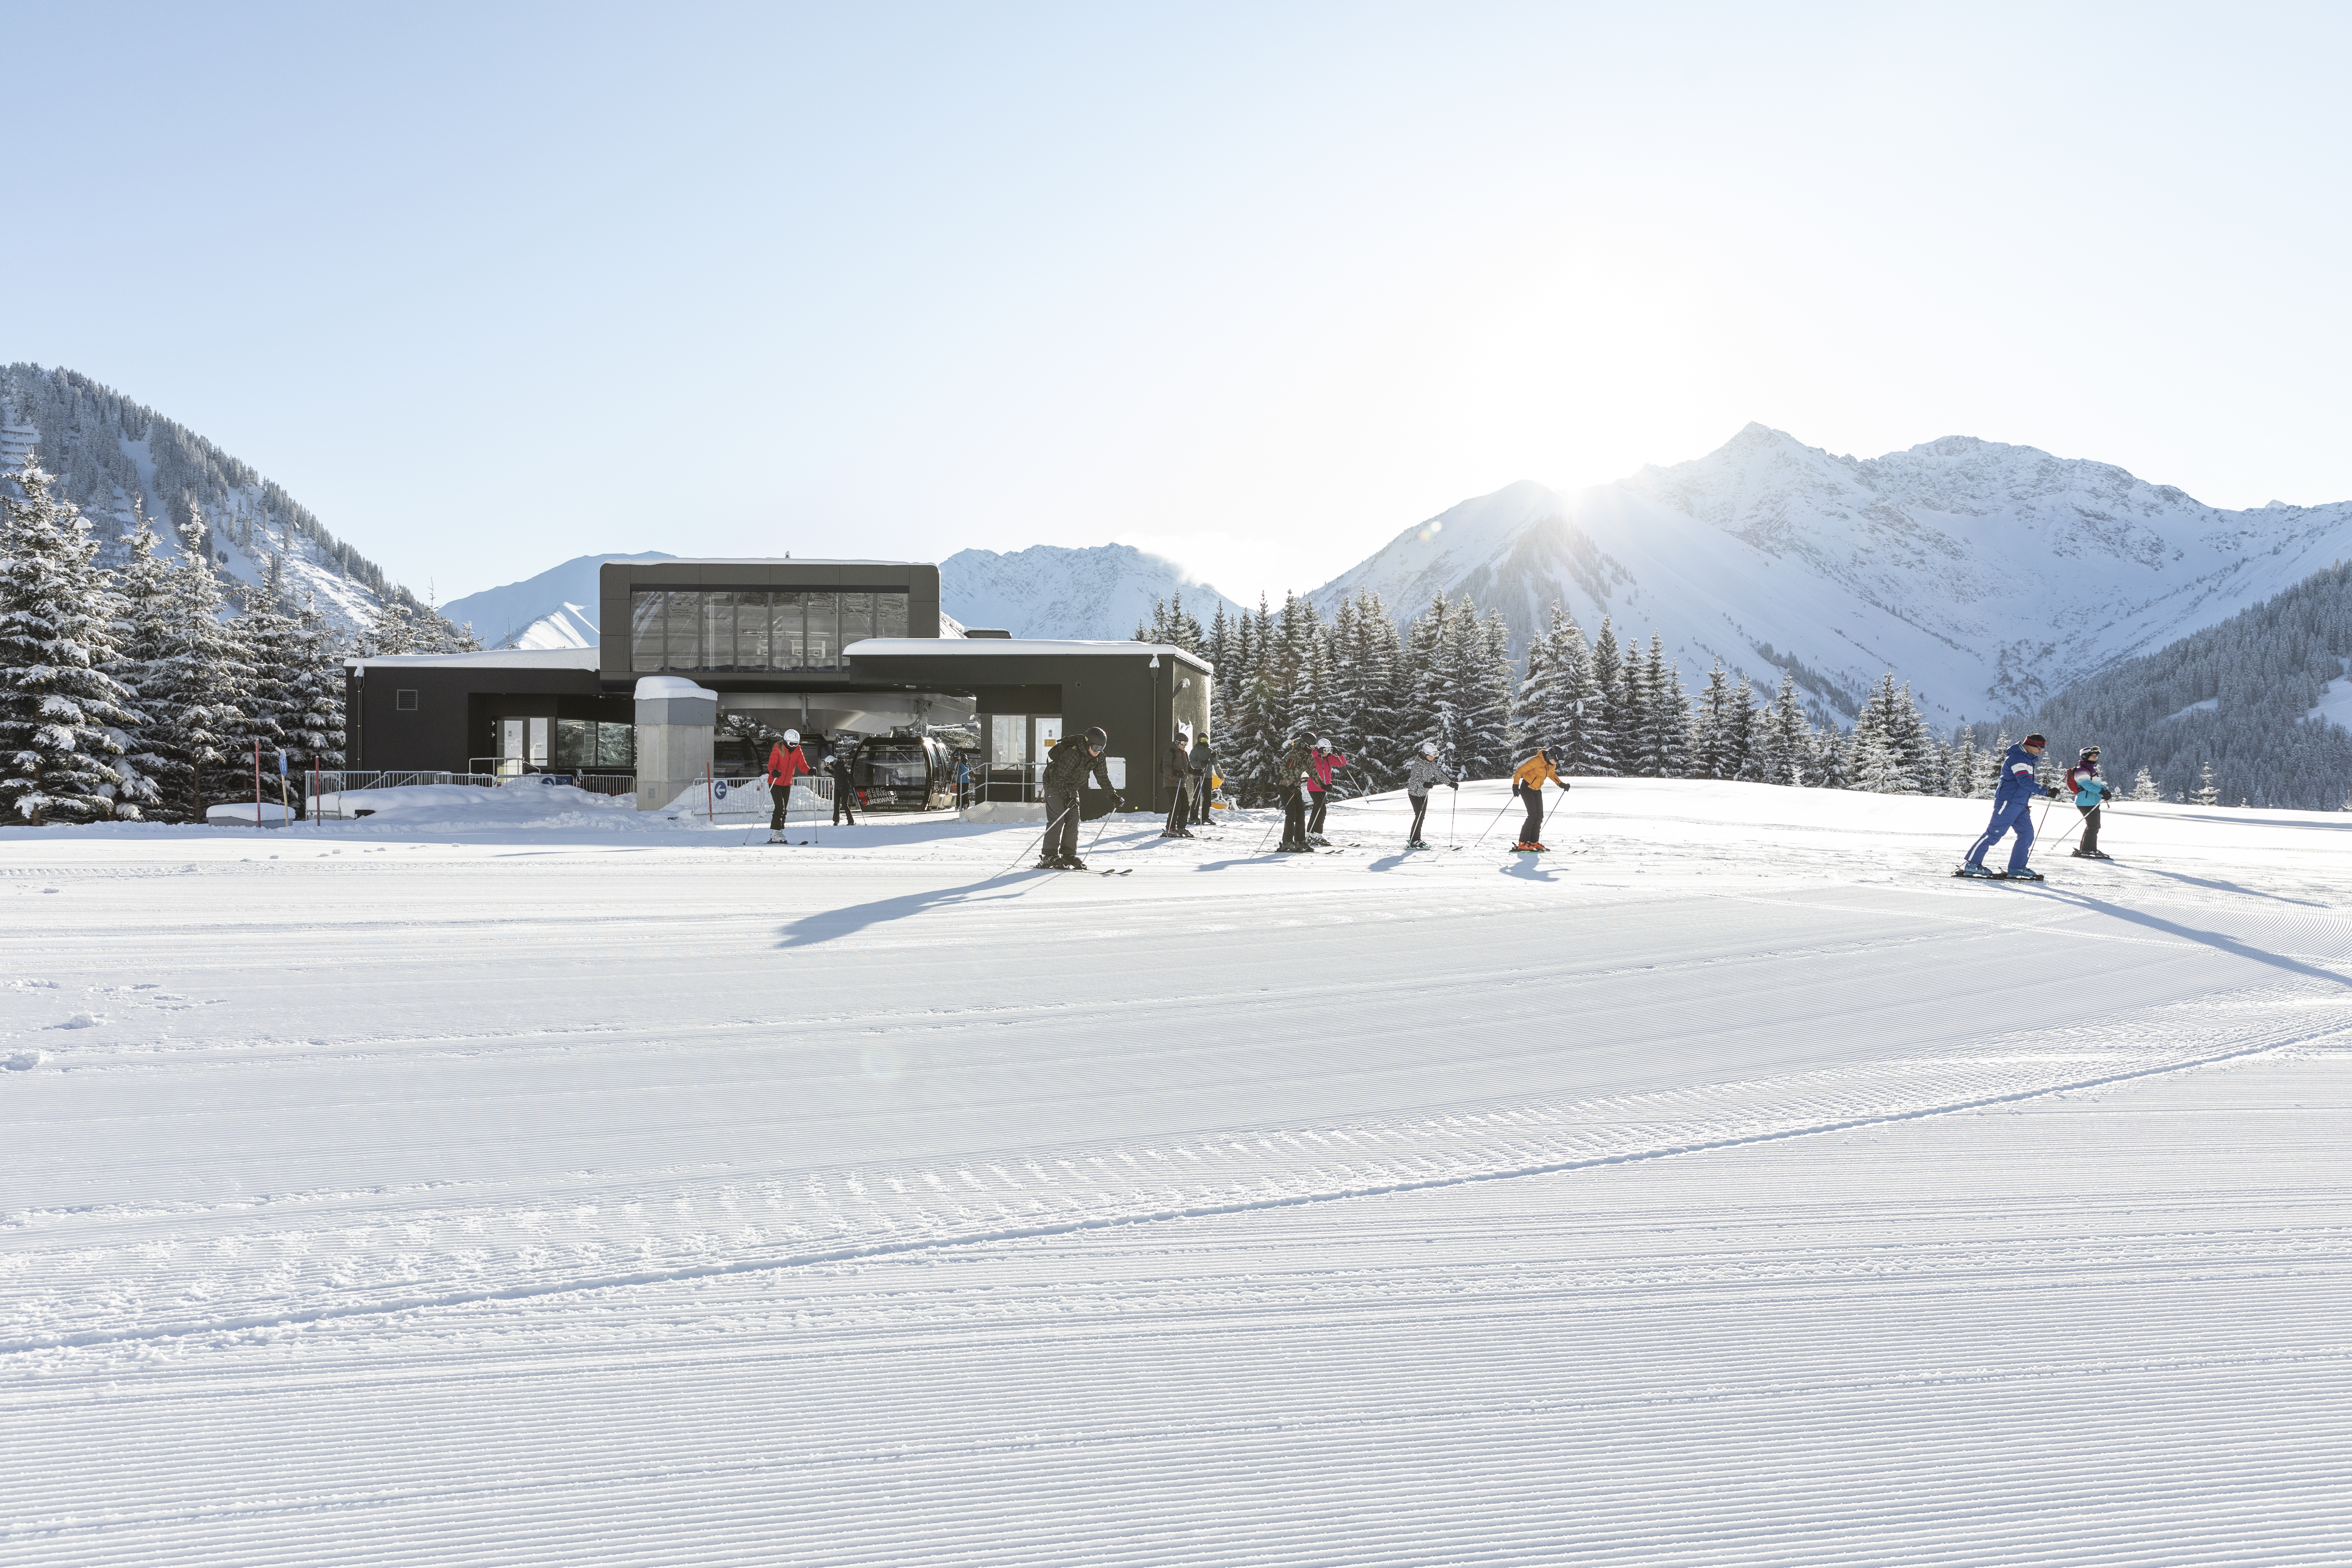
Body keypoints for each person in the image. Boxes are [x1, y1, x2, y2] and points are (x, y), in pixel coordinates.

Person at [1960, 732, 2055, 880]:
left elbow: (2022, 785)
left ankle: (2017, 868)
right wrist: (2046, 791)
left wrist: (2025, 804)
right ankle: (1972, 865)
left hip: (2020, 805)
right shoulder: (2017, 758)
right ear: (2031, 745)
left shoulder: (2027, 759)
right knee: (1993, 834)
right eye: (2040, 748)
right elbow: (2024, 781)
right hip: (2008, 803)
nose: (2041, 752)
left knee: (2027, 835)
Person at [1038, 724, 1121, 869]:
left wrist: (1113, 796)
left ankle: (1068, 854)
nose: (1098, 751)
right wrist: (1066, 798)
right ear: (1088, 743)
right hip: (1054, 784)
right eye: (1095, 747)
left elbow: (1103, 778)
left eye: (1102, 748)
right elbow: (1059, 778)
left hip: (1072, 787)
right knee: (1058, 819)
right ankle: (1049, 856)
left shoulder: (1099, 757)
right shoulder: (1073, 754)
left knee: (1074, 819)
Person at [1508, 744, 1567, 852]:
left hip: (1537, 790)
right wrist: (1516, 785)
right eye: (1555, 761)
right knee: (1532, 816)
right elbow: (1520, 770)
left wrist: (1561, 784)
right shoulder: (1537, 761)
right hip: (1527, 788)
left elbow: (1552, 775)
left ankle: (1533, 842)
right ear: (1550, 756)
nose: (1556, 764)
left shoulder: (1551, 764)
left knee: (1540, 817)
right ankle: (1523, 843)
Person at [1403, 740, 1457, 848]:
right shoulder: (1418, 765)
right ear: (1425, 754)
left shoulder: (1432, 764)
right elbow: (1415, 779)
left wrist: (1451, 784)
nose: (1433, 758)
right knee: (1419, 816)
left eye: (1435, 756)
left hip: (1424, 793)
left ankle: (1417, 839)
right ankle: (1414, 840)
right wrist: (1424, 784)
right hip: (1414, 793)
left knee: (1422, 817)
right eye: (1431, 756)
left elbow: (1439, 775)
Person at [2066, 744, 2112, 859]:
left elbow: (2096, 784)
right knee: (2093, 826)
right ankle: (2087, 850)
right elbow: (2087, 786)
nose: (2096, 758)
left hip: (2091, 801)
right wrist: (2102, 792)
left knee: (2094, 826)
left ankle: (2089, 849)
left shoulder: (2089, 769)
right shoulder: (2082, 770)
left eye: (2096, 756)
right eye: (2093, 756)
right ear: (2086, 757)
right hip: (2086, 802)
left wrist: (2105, 790)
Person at [765, 728, 811, 844]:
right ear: (786, 742)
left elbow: (802, 765)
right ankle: (775, 832)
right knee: (780, 807)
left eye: (796, 744)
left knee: (784, 809)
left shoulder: (798, 750)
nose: (794, 747)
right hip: (775, 781)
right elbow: (772, 764)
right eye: (792, 744)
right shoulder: (778, 748)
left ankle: (778, 833)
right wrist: (773, 771)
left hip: (787, 783)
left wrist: (810, 771)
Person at [1276, 739, 1317, 852]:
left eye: (1314, 747)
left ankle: (1300, 841)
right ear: (1304, 745)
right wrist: (1291, 785)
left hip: (1296, 787)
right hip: (1285, 786)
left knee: (1301, 813)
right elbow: (1285, 771)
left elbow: (1313, 773)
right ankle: (1287, 843)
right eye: (1311, 746)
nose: (1313, 749)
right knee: (1292, 814)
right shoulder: (1293, 755)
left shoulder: (1309, 757)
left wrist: (1322, 784)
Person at [1306, 738, 1348, 844]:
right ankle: (1317, 836)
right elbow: (1308, 759)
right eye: (1325, 751)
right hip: (1314, 787)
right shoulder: (1315, 758)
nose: (1327, 753)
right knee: (1322, 811)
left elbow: (1343, 763)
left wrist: (1339, 754)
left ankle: (1310, 835)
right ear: (1320, 749)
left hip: (1324, 788)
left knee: (1317, 811)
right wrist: (1317, 752)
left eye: (1329, 751)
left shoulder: (1330, 758)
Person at [1161, 727, 1195, 839]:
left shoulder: (1185, 754)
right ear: (1177, 743)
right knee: (1177, 806)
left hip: (1181, 784)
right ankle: (1170, 829)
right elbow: (1166, 768)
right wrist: (1176, 773)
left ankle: (1181, 827)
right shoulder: (1169, 753)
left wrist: (1196, 772)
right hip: (1171, 784)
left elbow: (1189, 768)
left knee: (1185, 807)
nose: (1185, 745)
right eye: (1183, 743)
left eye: (1186, 743)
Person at [825, 743, 858, 826]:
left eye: (828, 764)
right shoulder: (836, 768)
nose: (828, 765)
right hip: (837, 788)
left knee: (845, 805)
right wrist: (829, 771)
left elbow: (847, 775)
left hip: (844, 788)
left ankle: (851, 822)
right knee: (836, 805)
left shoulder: (840, 767)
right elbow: (836, 775)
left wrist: (852, 782)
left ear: (831, 762)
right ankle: (836, 821)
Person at [1188, 732, 1213, 826]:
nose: (1204, 742)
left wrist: (1214, 756)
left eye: (1206, 740)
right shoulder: (1195, 750)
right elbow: (1191, 763)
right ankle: (1193, 817)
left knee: (1208, 798)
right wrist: (1201, 763)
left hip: (1208, 777)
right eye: (1202, 740)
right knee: (1197, 798)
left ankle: (1205, 817)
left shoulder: (1210, 751)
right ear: (1199, 740)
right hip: (1199, 777)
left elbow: (1215, 763)